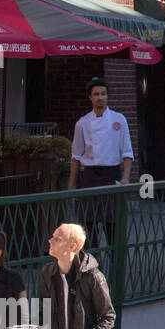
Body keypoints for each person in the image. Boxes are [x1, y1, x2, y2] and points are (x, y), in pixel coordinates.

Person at [68, 77, 133, 248]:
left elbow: (127, 152)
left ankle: (115, 268)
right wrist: (71, 186)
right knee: (88, 229)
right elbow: (76, 156)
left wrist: (125, 178)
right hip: (89, 177)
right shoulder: (82, 123)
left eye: (103, 94)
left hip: (111, 175)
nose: (100, 98)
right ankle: (92, 268)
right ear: (90, 97)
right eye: (96, 94)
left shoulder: (119, 120)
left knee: (112, 227)